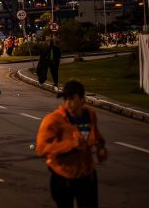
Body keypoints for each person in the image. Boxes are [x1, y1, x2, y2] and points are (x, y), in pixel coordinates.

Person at [36, 80, 108, 208]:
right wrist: (71, 144)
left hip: (86, 175)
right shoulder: (53, 120)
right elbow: (41, 148)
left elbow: (95, 134)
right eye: (65, 99)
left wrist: (100, 147)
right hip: (63, 176)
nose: (68, 103)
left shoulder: (90, 115)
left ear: (81, 99)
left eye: (71, 99)